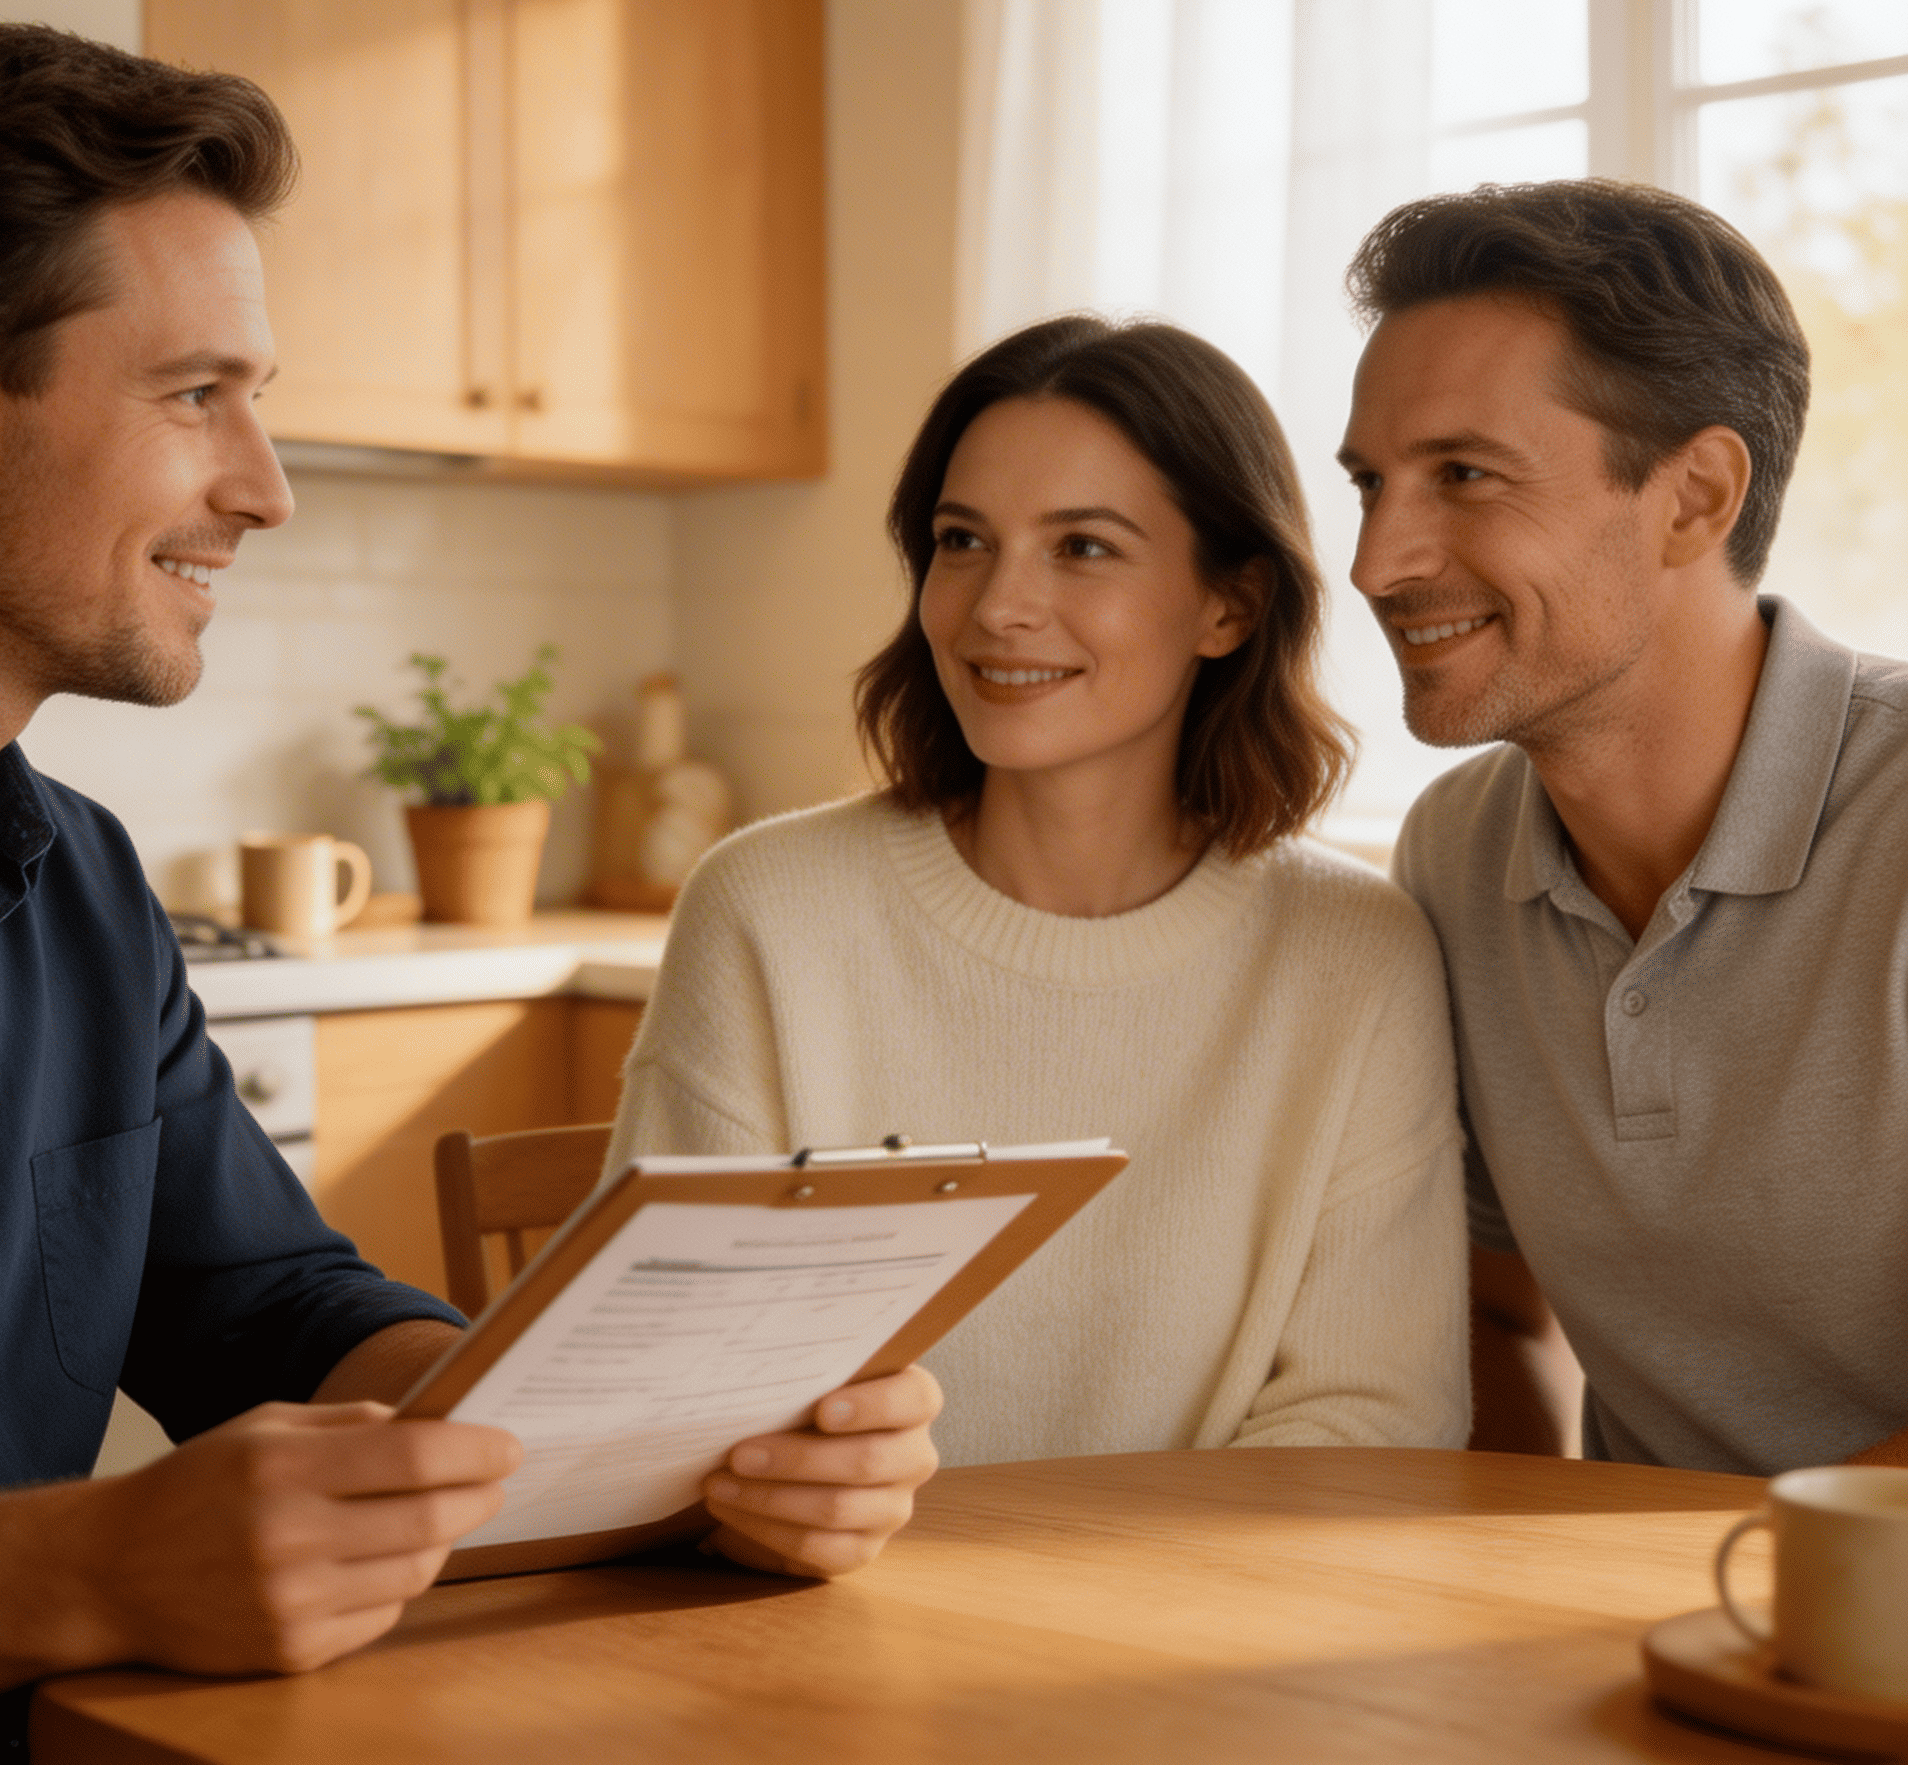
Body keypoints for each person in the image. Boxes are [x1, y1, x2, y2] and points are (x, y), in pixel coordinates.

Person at [0, 18, 938, 1751]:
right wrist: (89, 1566)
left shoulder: (79, 885)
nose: (263, 487)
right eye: (194, 391)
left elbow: (261, 1304)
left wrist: (653, 1442)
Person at [607, 315, 1469, 1466]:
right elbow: (664, 1391)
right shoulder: (766, 908)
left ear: (1230, 606)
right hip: (818, 1614)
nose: (995, 606)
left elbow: (1374, 1419)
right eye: (962, 540)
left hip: (1203, 1625)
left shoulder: (1355, 952)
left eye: (1083, 547)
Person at [1339, 176, 1908, 1475]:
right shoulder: (1456, 856)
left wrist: (1732, 1610)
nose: (1377, 562)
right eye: (1372, 483)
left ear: (1696, 497)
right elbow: (1497, 1310)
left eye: (1465, 476)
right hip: (1641, 1636)